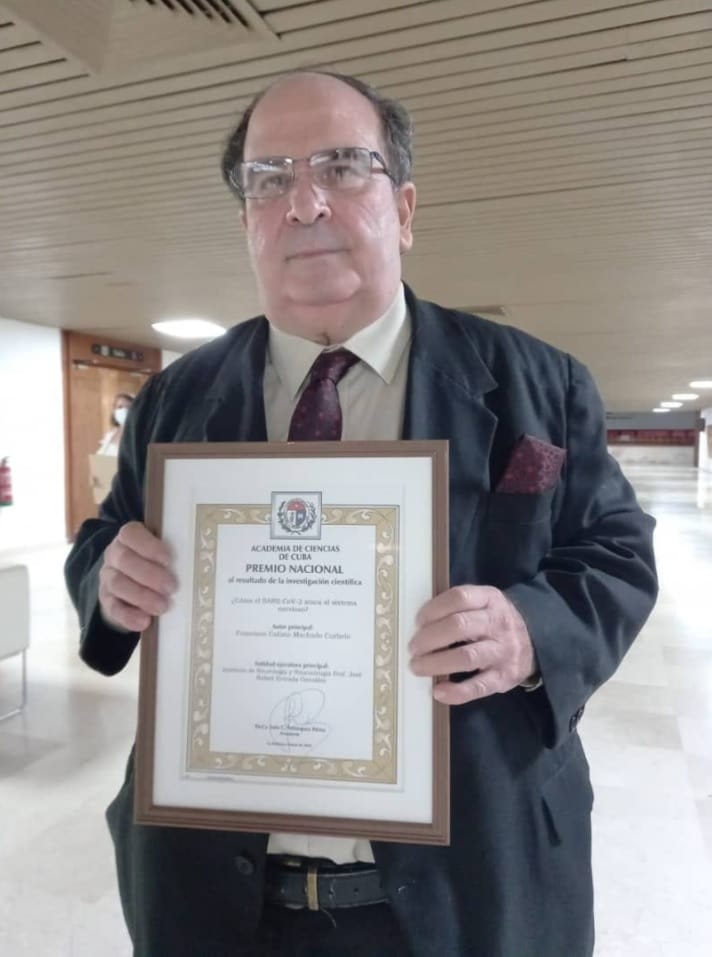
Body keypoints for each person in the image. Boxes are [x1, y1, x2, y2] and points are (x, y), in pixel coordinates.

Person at [65, 71, 657, 957]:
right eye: (270, 178)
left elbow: (619, 553)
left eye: (342, 167)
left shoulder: (538, 382)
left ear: (404, 208)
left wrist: (527, 630)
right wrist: (109, 579)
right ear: (247, 222)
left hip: (473, 892)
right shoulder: (174, 399)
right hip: (218, 902)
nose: (304, 202)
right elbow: (102, 537)